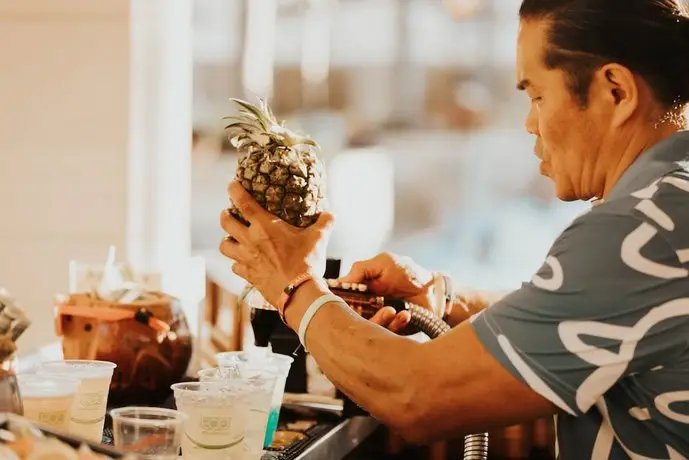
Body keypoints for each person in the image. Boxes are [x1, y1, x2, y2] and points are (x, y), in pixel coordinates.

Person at [219, 0, 689, 458]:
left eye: (538, 95)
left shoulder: (638, 231)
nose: (530, 123)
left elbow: (416, 397)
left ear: (616, 92)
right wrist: (444, 298)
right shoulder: (669, 207)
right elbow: (603, 316)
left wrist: (293, 285)